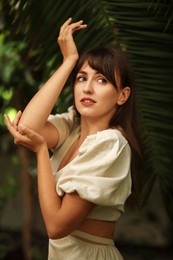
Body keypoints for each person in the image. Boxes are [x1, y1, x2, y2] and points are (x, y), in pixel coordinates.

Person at [4, 18, 143, 260]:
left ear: (122, 95)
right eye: (81, 78)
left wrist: (40, 152)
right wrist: (69, 61)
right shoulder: (73, 127)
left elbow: (56, 227)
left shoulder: (111, 144)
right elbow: (27, 127)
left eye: (102, 80)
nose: (88, 88)